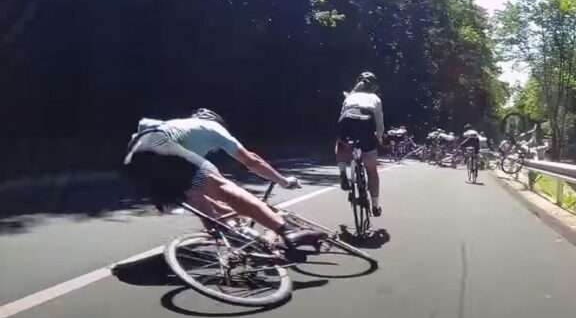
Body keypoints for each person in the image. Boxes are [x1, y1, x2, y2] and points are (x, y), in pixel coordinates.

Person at [124, 108, 324, 246]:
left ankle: (228, 240)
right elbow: (251, 161)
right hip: (160, 149)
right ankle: (288, 231)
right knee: (225, 189)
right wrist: (282, 180)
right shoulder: (211, 127)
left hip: (136, 163)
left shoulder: (178, 127)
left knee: (200, 198)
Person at [336, 72, 384, 217]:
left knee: (340, 142)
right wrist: (379, 138)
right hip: (366, 124)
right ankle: (375, 206)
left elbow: (341, 117)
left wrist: (342, 137)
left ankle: (343, 173)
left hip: (347, 120)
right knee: (372, 171)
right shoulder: (375, 98)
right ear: (374, 87)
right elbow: (379, 125)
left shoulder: (350, 97)